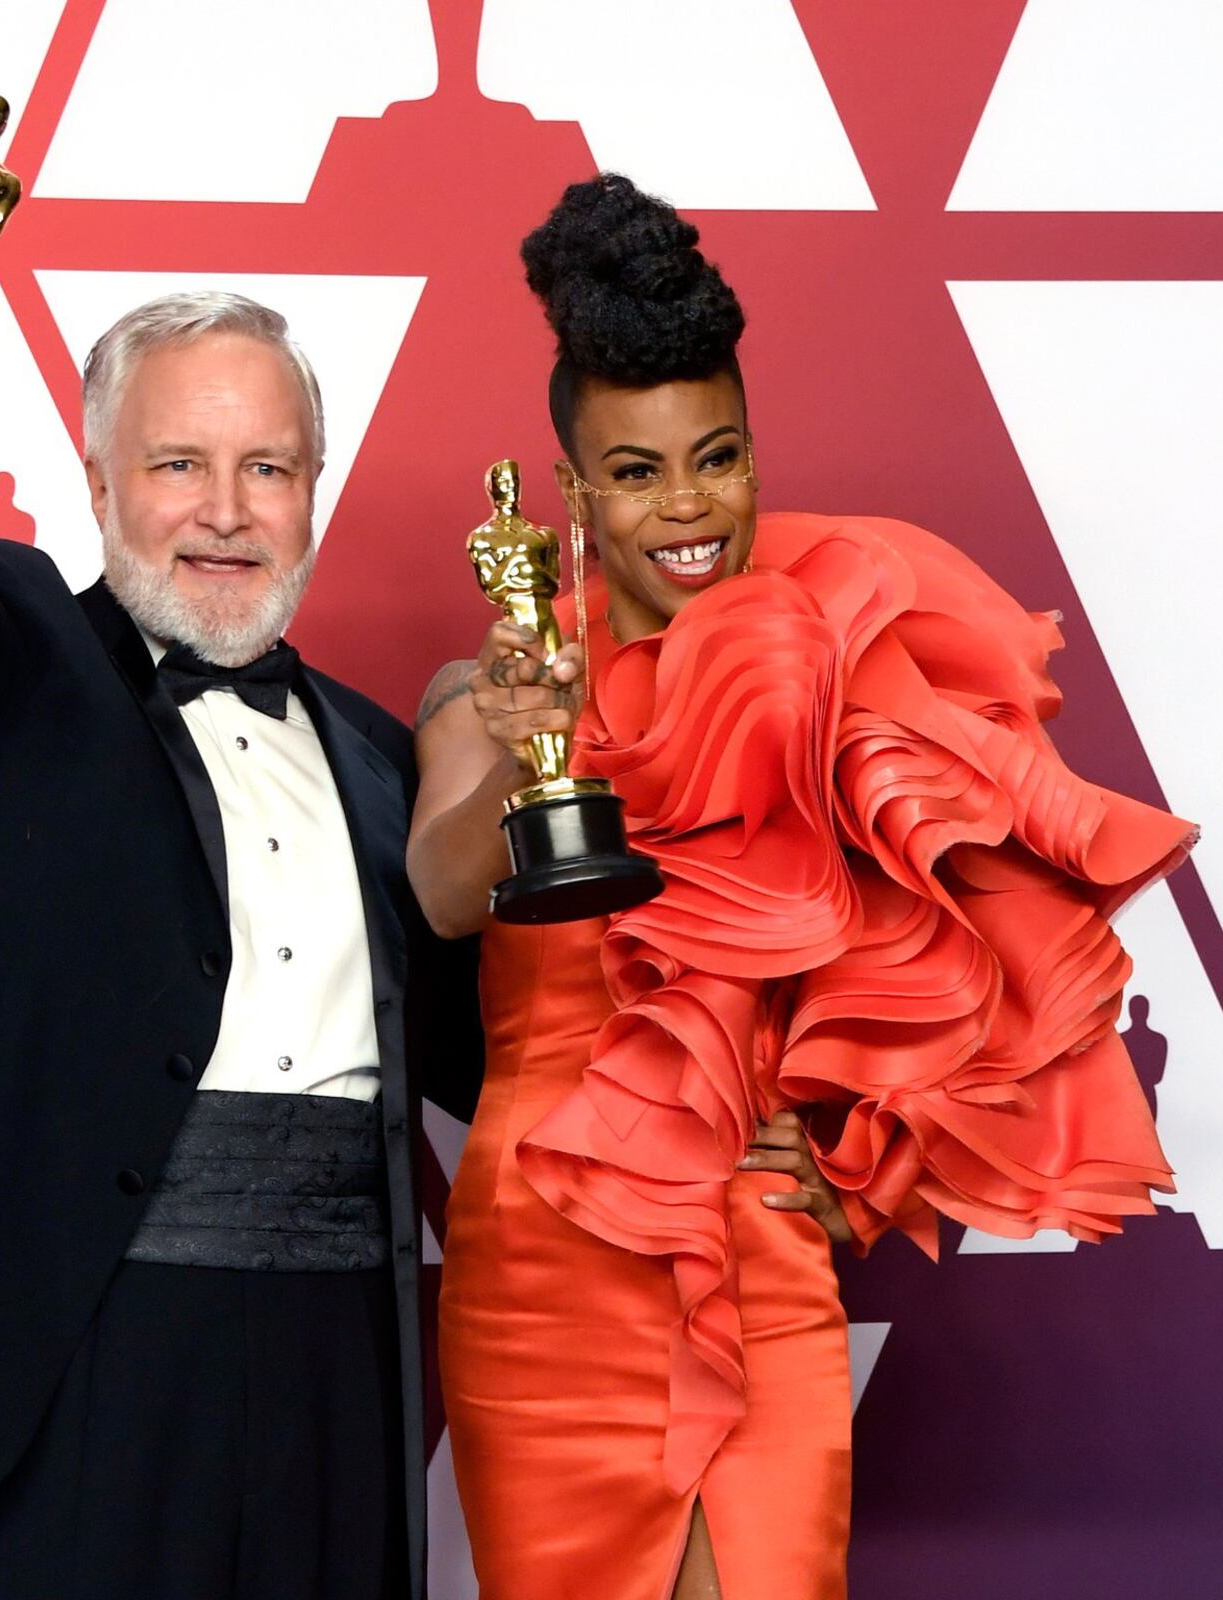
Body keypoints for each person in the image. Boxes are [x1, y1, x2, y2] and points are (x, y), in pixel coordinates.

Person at [407, 174, 1194, 1600]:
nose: (686, 507)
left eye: (716, 457)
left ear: (757, 452)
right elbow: (447, 892)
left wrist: (860, 1168)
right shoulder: (497, 683)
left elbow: (976, 953)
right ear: (576, 492)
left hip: (756, 1258)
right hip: (545, 1279)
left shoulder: (838, 687)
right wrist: (528, 754)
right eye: (637, 474)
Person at [0, 264, 481, 1599]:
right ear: (101, 482)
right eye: (180, 462)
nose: (227, 514)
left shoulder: (388, 760)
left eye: (269, 469)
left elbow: (498, 1052)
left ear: (313, 490)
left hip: (348, 1366)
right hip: (78, 1362)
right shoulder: (3, 664)